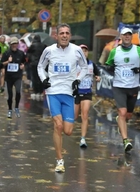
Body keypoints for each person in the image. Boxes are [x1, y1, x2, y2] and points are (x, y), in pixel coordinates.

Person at [37, 23, 88, 173]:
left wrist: (78, 80)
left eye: (67, 33)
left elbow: (84, 68)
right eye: (61, 33)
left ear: (70, 36)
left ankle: (60, 157)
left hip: (68, 93)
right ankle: (60, 161)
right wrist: (43, 79)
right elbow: (40, 66)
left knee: (68, 131)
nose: (64, 35)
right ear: (56, 36)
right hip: (53, 91)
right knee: (58, 126)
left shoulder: (77, 51)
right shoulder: (49, 50)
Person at [105, 27, 140, 152]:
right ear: (121, 37)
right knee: (122, 112)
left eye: (129, 35)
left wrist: (139, 69)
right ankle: (126, 141)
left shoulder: (138, 50)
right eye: (125, 35)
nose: (127, 37)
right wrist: (111, 68)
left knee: (128, 115)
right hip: (119, 86)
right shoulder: (115, 51)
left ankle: (121, 121)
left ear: (131, 37)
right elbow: (108, 64)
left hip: (133, 86)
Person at [74, 44, 101, 148]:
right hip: (76, 93)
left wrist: (98, 78)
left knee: (85, 115)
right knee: (75, 116)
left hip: (87, 92)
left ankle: (83, 139)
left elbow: (97, 74)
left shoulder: (91, 64)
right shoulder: (74, 64)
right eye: (81, 51)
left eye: (85, 51)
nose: (84, 53)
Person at [0, 37, 27, 118]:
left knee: (18, 92)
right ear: (10, 45)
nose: (14, 45)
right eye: (13, 44)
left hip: (18, 76)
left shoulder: (21, 53)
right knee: (10, 95)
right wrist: (8, 61)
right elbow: (1, 64)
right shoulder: (6, 53)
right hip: (9, 77)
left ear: (17, 44)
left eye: (16, 44)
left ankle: (16, 107)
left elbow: (24, 62)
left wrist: (23, 66)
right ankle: (9, 109)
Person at [27, 34, 47, 100]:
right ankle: (41, 91)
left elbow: (28, 53)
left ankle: (36, 91)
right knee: (41, 77)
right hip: (42, 64)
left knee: (34, 77)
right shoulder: (43, 45)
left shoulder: (32, 46)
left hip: (34, 64)